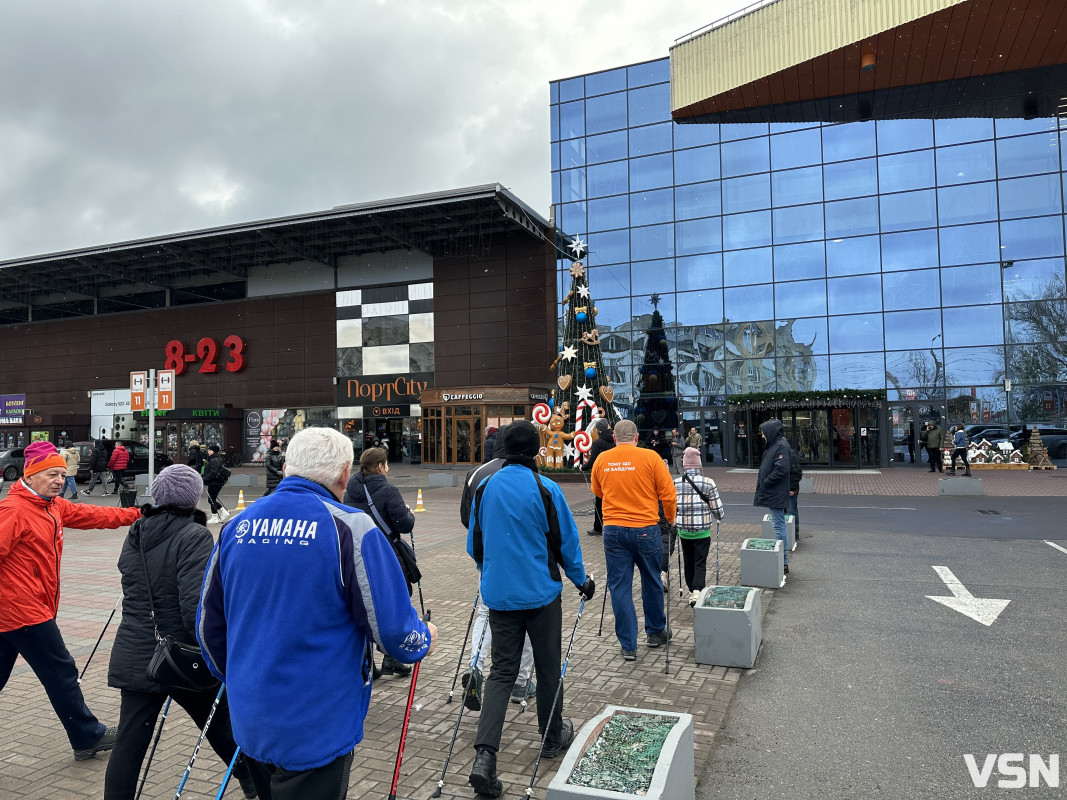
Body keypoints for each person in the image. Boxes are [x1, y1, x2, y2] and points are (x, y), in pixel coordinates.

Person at [197, 427, 436, 799]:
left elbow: (208, 627)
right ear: (344, 474)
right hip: (319, 721)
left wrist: (239, 678)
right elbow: (393, 630)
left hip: (251, 715)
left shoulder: (236, 526)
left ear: (289, 466)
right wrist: (423, 638)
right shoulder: (352, 528)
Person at [104, 465, 255, 800]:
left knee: (129, 744)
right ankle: (257, 784)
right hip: (181, 658)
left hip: (136, 651)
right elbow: (194, 609)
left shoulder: (138, 530)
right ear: (193, 498)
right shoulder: (194, 535)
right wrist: (221, 652)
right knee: (223, 727)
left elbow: (133, 583)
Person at [466, 421, 593, 798]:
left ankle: (484, 758)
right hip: (540, 594)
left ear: (503, 451)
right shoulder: (546, 488)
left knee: (501, 673)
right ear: (537, 451)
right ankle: (552, 736)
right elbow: (566, 541)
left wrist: (491, 569)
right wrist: (581, 580)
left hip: (500, 594)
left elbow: (475, 544)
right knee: (548, 664)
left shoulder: (486, 488)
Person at [0, 441, 140, 760]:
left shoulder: (53, 506)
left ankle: (85, 736)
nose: (59, 481)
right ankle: (87, 736)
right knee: (61, 670)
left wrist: (136, 515)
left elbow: (92, 515)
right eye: (52, 474)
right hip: (23, 611)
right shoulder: (13, 510)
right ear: (30, 475)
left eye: (62, 475)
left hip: (17, 612)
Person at [458, 424, 537, 710]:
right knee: (528, 614)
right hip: (525, 557)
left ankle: (475, 667)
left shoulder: (477, 473)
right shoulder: (526, 470)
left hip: (488, 556)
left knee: (485, 610)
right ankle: (521, 681)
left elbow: (468, 520)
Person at [591, 419, 676, 661]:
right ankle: (655, 631)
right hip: (646, 529)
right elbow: (668, 494)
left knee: (619, 586)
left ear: (615, 439)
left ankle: (628, 645)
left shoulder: (602, 459)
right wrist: (669, 519)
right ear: (636, 438)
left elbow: (597, 491)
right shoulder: (650, 458)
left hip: (614, 530)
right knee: (651, 580)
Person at [343, 445, 417, 678]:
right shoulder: (388, 490)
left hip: (357, 554)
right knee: (392, 603)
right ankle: (392, 657)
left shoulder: (350, 490)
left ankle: (368, 662)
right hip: (386, 554)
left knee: (364, 604)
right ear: (380, 467)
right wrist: (409, 513)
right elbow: (404, 525)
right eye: (386, 464)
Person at [673, 447, 725, 606]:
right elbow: (717, 508)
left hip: (684, 531)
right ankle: (697, 591)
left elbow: (671, 505)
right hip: (702, 531)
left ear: (684, 464)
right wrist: (719, 516)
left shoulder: (676, 483)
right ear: (699, 464)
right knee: (700, 561)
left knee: (688, 561)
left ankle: (691, 588)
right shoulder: (708, 482)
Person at [754, 419, 791, 576]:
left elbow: (781, 469)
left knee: (778, 525)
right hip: (774, 491)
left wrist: (766, 482)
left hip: (775, 491)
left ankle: (782, 561)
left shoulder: (781, 446)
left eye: (763, 433)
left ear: (770, 432)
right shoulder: (776, 445)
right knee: (778, 524)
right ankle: (782, 560)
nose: (762, 436)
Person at [581, 418, 615, 536]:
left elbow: (593, 461)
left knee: (600, 501)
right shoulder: (615, 440)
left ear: (598, 430)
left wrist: (583, 467)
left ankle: (598, 527)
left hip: (603, 477)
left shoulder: (598, 443)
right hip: (616, 474)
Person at [202, 444, 230, 524]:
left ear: (213, 451)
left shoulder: (215, 460)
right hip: (215, 482)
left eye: (210, 450)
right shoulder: (215, 459)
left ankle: (215, 516)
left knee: (211, 499)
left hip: (215, 482)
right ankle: (222, 512)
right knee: (211, 499)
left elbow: (213, 472)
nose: (208, 451)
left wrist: (204, 478)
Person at [788, 445, 803, 539]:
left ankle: (794, 533)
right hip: (782, 489)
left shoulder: (791, 455)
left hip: (789, 489)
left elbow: (797, 473)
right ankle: (790, 533)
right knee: (787, 511)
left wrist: (792, 489)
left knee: (791, 511)